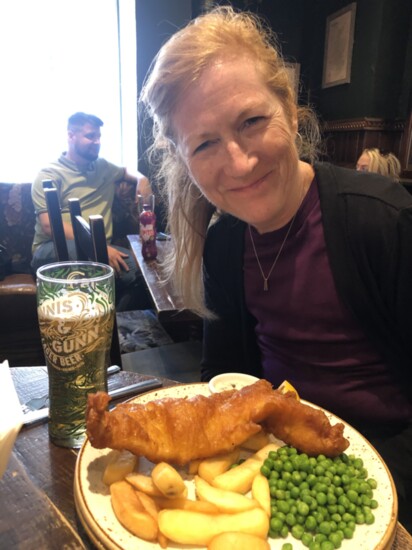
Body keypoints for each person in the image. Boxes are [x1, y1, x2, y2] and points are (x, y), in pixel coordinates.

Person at [140, 7, 412, 530]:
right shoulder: (222, 244)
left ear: (288, 106)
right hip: (277, 473)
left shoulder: (384, 222)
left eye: (251, 121)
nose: (239, 162)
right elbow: (221, 380)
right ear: (181, 157)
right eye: (205, 143)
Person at [31, 112, 152, 310]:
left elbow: (125, 171)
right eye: (90, 136)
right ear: (71, 136)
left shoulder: (102, 167)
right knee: (129, 272)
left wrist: (142, 179)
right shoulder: (49, 174)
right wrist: (99, 247)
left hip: (98, 247)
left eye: (98, 136)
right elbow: (49, 226)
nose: (96, 142)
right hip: (51, 248)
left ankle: (113, 331)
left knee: (143, 273)